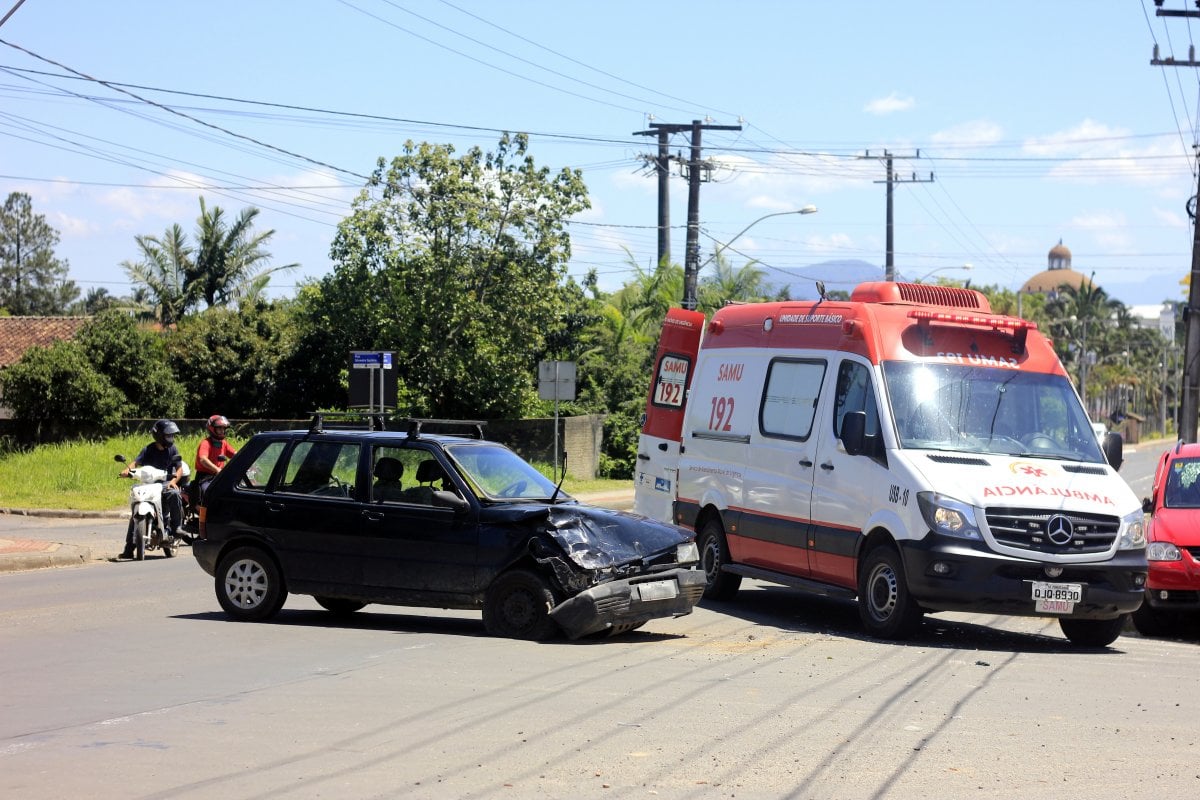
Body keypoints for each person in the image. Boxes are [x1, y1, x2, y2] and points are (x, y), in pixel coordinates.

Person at [119, 419, 184, 559]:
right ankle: (129, 548)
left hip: (165, 483)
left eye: (172, 436)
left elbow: (179, 469)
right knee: (136, 509)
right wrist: (127, 470)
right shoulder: (148, 449)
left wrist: (173, 481)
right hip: (149, 485)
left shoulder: (173, 449)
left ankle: (177, 527)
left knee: (174, 493)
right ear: (159, 435)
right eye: (168, 436)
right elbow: (136, 462)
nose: (171, 439)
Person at [194, 414, 237, 510]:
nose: (222, 431)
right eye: (219, 428)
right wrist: (217, 469)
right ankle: (205, 517)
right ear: (212, 429)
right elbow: (203, 459)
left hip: (219, 477)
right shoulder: (206, 443)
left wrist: (248, 460)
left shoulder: (223, 443)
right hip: (205, 477)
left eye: (223, 428)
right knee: (209, 492)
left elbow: (236, 454)